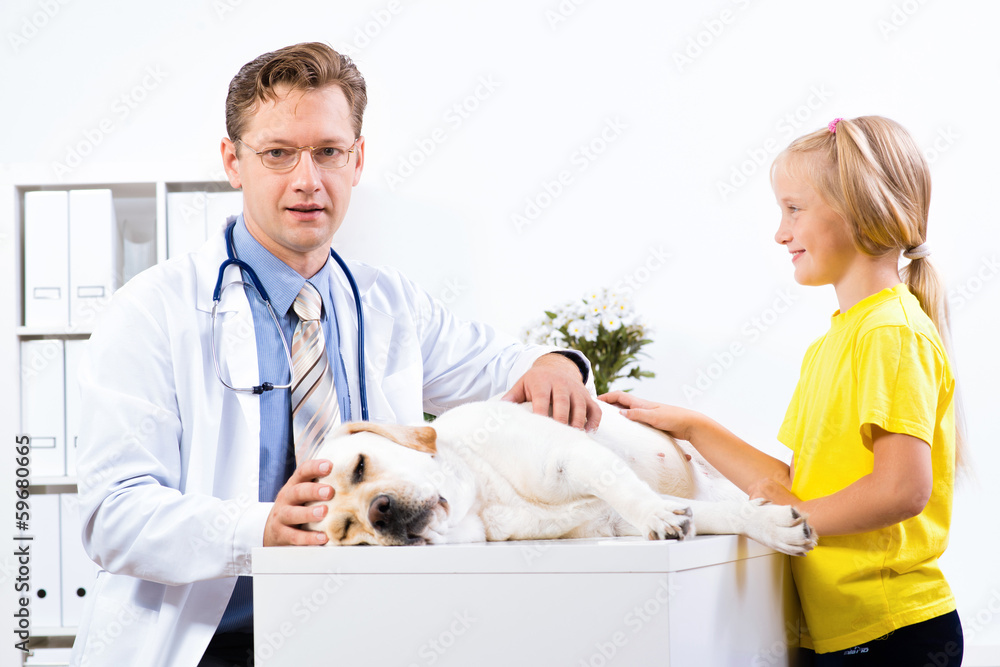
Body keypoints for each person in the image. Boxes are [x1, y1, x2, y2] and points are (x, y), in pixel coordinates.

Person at [71, 42, 599, 667]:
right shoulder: (152, 312)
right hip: (210, 643)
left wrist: (558, 364)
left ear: (357, 159)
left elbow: (503, 367)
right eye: (277, 154)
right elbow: (112, 514)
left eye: (328, 152)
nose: (307, 180)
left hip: (365, 630)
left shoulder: (390, 303)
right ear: (232, 162)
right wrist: (258, 529)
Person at [604, 116, 963, 665]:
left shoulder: (890, 332)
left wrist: (786, 522)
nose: (780, 232)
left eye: (794, 209)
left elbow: (900, 491)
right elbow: (795, 487)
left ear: (863, 210)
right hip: (838, 631)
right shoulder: (837, 340)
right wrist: (693, 427)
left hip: (892, 632)